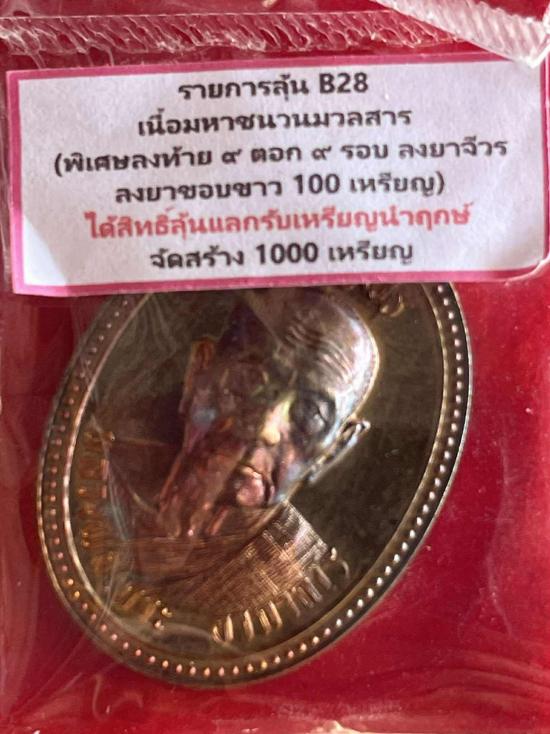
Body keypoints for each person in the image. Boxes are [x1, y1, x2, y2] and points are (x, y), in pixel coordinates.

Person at [113, 288, 379, 647]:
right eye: (248, 382)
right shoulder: (105, 474)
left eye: (309, 414)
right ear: (198, 373)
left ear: (334, 449)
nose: (265, 429)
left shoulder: (295, 574)